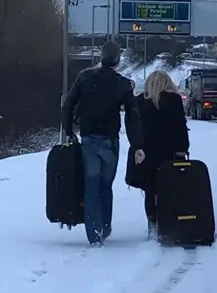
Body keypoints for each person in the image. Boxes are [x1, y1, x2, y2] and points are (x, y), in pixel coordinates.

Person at [61, 41, 144, 247]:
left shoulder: (85, 78)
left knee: (91, 185)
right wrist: (137, 144)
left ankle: (94, 234)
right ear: (117, 60)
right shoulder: (121, 83)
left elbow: (68, 104)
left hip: (88, 139)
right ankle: (105, 226)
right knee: (105, 186)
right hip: (110, 140)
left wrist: (69, 131)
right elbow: (132, 115)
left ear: (101, 57)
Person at [126, 70, 189, 238]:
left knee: (150, 190)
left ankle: (152, 224)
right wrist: (183, 148)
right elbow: (179, 127)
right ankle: (168, 224)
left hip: (146, 153)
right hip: (168, 152)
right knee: (169, 190)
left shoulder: (139, 101)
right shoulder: (174, 100)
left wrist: (137, 148)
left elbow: (134, 127)